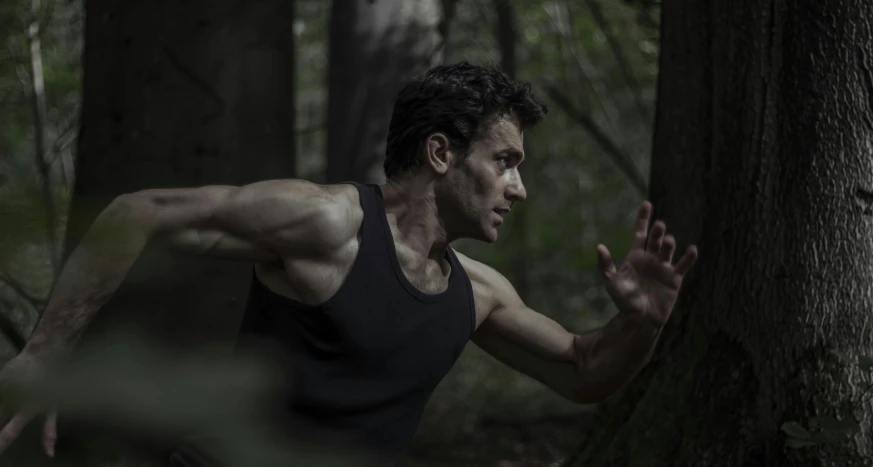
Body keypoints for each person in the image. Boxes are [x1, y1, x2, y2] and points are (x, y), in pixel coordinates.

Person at [0, 62, 697, 465]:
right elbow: (136, 212)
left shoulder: (477, 292)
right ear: (440, 153)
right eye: (505, 161)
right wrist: (44, 355)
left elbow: (582, 370)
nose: (519, 187)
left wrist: (641, 322)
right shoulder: (328, 223)